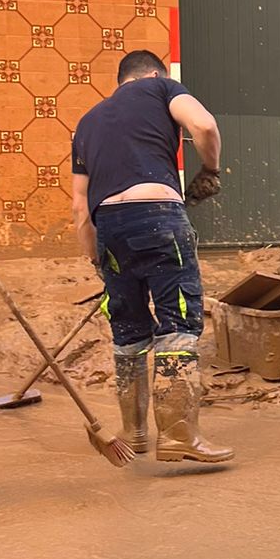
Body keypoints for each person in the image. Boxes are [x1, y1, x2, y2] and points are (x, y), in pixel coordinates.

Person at [70, 49, 231, 466]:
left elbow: (78, 206)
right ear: (152, 74)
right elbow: (205, 125)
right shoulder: (162, 88)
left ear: (119, 81)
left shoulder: (86, 122)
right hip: (159, 217)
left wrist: (98, 261)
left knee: (128, 330)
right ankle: (179, 436)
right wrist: (210, 170)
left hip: (108, 227)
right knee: (177, 320)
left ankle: (135, 433)